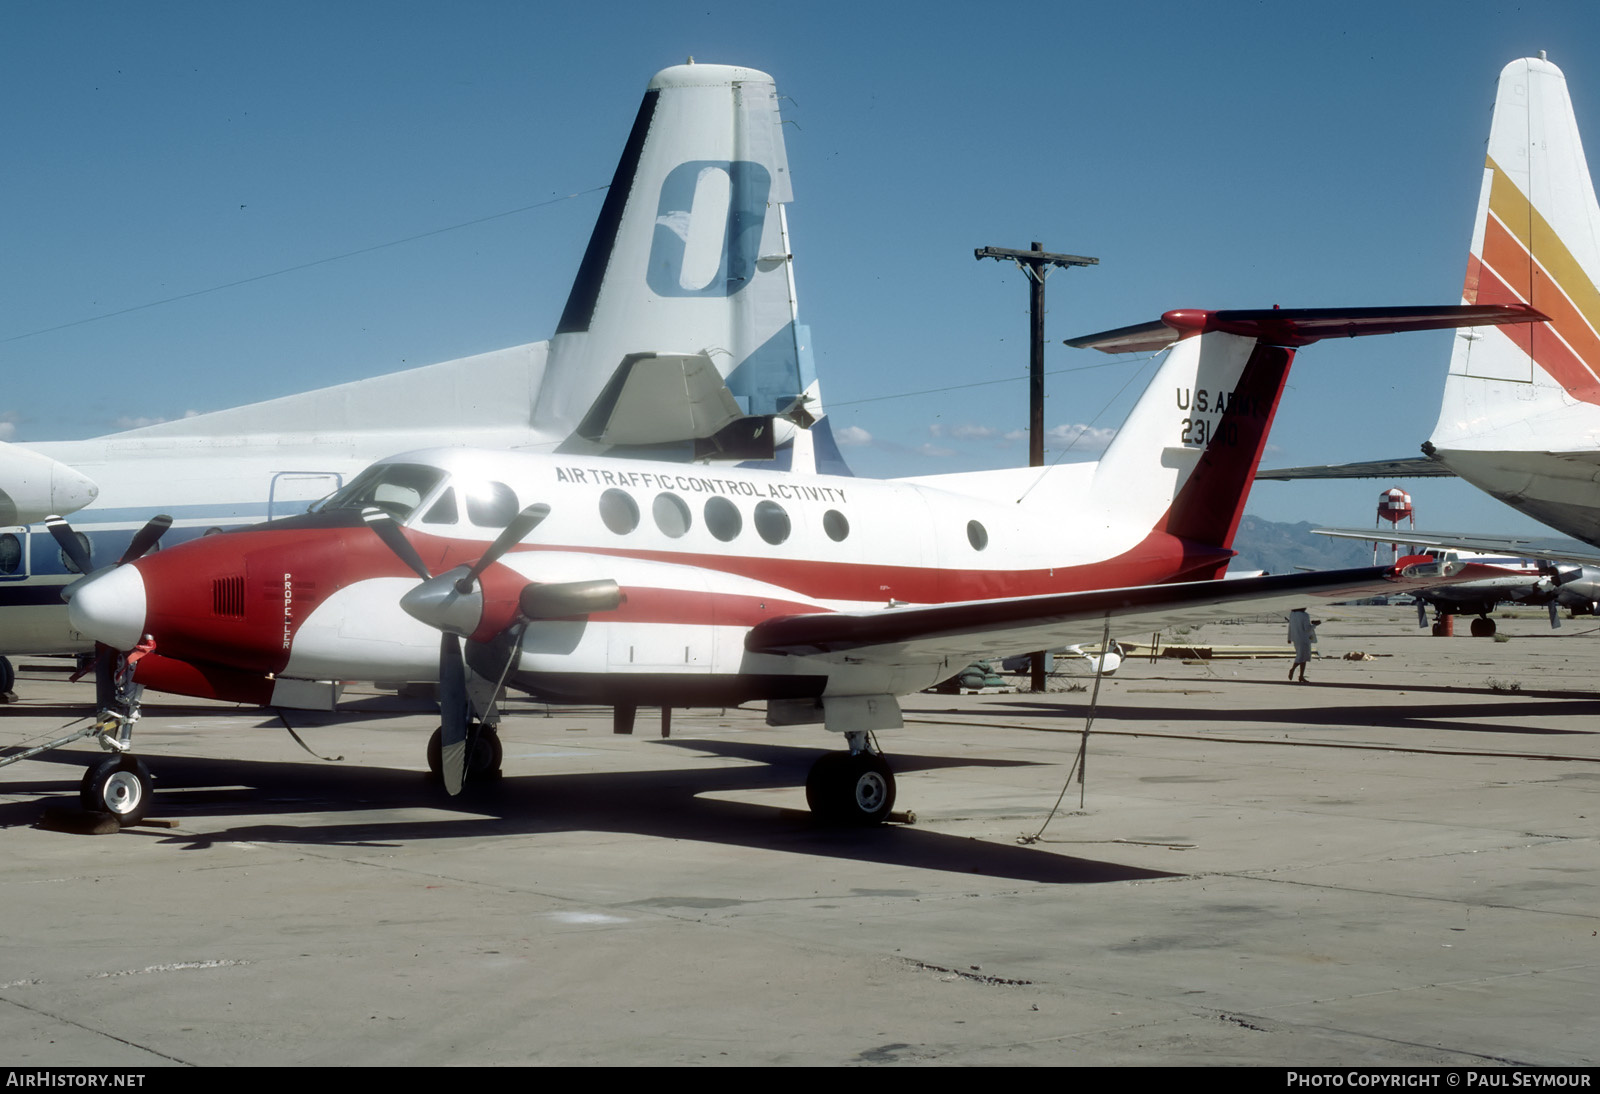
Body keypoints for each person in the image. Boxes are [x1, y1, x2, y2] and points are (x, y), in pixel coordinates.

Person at [1287, 608, 1317, 682]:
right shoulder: (1305, 615)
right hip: (1304, 638)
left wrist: (1289, 638)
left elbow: (1290, 626)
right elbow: (1307, 628)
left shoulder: (1293, 614)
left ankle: (1301, 676)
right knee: (1302, 657)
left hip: (1296, 638)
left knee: (1302, 657)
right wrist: (1315, 625)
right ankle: (1293, 669)